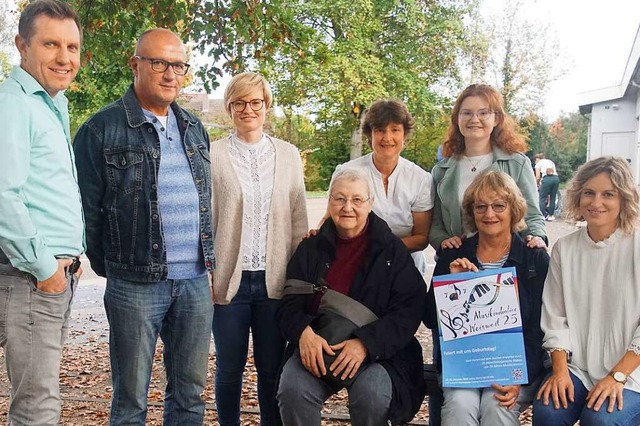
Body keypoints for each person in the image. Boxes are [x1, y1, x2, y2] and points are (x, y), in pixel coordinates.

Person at [73, 29, 214, 424]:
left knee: (190, 396)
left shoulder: (194, 127)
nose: (170, 73)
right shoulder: (101, 130)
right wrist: (116, 267)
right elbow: (88, 212)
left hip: (195, 283)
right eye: (159, 63)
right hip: (134, 286)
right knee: (131, 400)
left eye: (178, 65)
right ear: (134, 65)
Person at [277, 167, 426, 426]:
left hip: (377, 354)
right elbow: (289, 303)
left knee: (372, 396)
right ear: (330, 201)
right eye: (340, 198)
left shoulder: (392, 250)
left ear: (370, 204)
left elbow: (409, 310)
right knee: (293, 391)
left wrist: (365, 344)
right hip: (319, 346)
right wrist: (303, 334)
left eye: (357, 200)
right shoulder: (311, 248)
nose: (348, 207)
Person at [0, 1, 84, 423]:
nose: (64, 57)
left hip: (50, 276)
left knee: (38, 398)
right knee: (37, 408)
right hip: (32, 277)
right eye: (51, 44)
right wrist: (46, 267)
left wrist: (69, 258)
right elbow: (2, 196)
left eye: (72, 46)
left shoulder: (51, 102)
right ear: (21, 45)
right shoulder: (13, 103)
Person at [210, 72, 308, 426]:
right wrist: (207, 272)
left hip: (276, 282)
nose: (248, 109)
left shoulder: (289, 155)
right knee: (229, 370)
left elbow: (298, 219)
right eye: (239, 103)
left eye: (255, 102)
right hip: (228, 281)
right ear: (229, 108)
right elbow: (205, 220)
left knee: (271, 371)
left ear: (267, 107)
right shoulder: (213, 154)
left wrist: (300, 283)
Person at [425, 170, 549, 425]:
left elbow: (541, 327)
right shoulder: (453, 254)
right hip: (463, 364)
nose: (489, 214)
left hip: (513, 364)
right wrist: (453, 285)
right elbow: (429, 318)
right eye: (480, 207)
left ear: (513, 210)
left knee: (496, 405)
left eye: (498, 206)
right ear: (471, 213)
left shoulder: (533, 258)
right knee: (460, 405)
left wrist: (519, 376)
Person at [533, 156, 640, 426]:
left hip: (632, 372)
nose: (596, 203)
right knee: (549, 409)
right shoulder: (565, 249)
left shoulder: (636, 245)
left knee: (600, 419)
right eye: (588, 193)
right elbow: (555, 315)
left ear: (624, 199)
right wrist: (559, 371)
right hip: (578, 366)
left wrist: (617, 377)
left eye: (608, 194)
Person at [321, 99, 434, 275]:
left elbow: (421, 238)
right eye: (380, 130)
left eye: (395, 130)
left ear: (404, 135)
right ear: (370, 135)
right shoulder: (346, 172)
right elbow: (329, 220)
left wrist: (382, 249)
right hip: (356, 263)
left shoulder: (420, 179)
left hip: (406, 265)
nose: (387, 138)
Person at [430, 83, 547, 252]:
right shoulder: (440, 171)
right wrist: (442, 241)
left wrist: (537, 237)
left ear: (497, 118)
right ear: (457, 118)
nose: (474, 119)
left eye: (483, 113)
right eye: (467, 113)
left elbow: (533, 215)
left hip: (507, 263)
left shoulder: (517, 164)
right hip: (458, 263)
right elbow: (435, 223)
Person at [534, 153, 560, 221]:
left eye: (535, 160)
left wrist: (536, 184)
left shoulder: (538, 164)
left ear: (538, 159)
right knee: (552, 197)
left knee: (542, 197)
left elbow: (537, 177)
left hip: (547, 179)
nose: (535, 162)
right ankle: (551, 215)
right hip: (555, 178)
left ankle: (543, 215)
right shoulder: (550, 161)